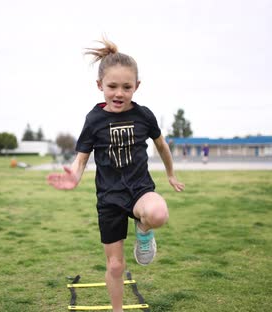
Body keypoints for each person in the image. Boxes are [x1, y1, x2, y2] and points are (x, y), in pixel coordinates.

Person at [47, 38, 184, 312]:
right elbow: (82, 157)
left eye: (127, 87)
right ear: (100, 86)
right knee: (116, 265)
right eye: (112, 86)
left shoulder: (144, 116)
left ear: (137, 86)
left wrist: (170, 173)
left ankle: (143, 232)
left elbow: (162, 146)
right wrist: (74, 176)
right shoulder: (94, 120)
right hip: (109, 198)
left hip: (139, 191)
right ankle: (117, 310)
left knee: (158, 213)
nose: (119, 93)